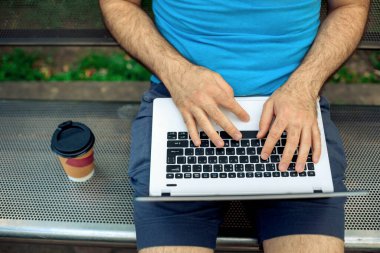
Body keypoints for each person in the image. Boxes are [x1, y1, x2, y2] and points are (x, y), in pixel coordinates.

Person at [100, 0, 369, 252]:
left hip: (293, 106)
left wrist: (304, 86)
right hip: (182, 103)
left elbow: (350, 5)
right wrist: (176, 73)